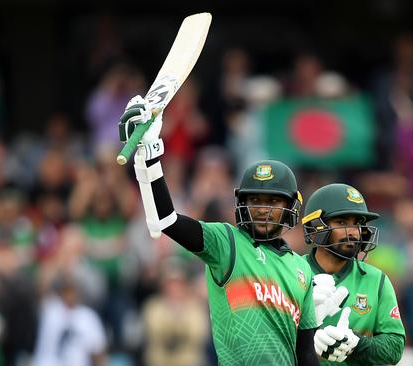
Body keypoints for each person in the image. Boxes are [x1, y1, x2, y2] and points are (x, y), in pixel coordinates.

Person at [118, 95, 318, 366]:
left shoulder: (302, 269)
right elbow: (166, 220)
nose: (262, 209)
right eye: (255, 200)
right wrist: (149, 155)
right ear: (241, 204)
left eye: (273, 201)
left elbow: (306, 355)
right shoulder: (227, 242)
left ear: (291, 207)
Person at [301, 183, 406, 365]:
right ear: (315, 226)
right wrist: (303, 336)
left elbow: (395, 347)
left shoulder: (376, 279)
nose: (353, 232)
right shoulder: (292, 271)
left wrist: (356, 345)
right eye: (341, 222)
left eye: (357, 224)